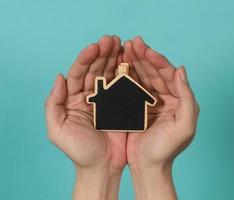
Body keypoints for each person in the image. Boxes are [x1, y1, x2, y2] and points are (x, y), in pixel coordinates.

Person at [45, 35, 200, 200]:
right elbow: (147, 99)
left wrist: (152, 167)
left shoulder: (127, 91)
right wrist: (96, 170)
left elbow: (149, 99)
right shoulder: (118, 92)